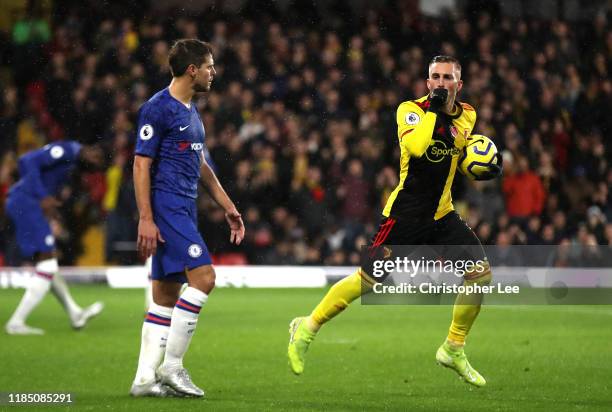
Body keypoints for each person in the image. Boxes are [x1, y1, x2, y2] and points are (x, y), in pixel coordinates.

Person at [288, 56, 502, 387]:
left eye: (448, 78)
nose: (441, 83)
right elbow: (417, 148)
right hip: (405, 215)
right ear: (428, 82)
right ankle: (307, 327)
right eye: (435, 77)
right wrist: (433, 108)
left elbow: (454, 158)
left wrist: (480, 163)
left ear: (459, 85)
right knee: (367, 281)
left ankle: (453, 348)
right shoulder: (410, 110)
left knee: (480, 275)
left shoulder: (469, 115)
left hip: (442, 214)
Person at [130, 39, 245, 398]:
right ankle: (173, 368)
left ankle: (144, 380)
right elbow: (140, 164)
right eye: (210, 66)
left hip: (184, 208)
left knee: (165, 295)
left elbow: (201, 167)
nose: (214, 72)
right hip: (167, 208)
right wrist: (146, 218)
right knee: (205, 278)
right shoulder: (157, 108)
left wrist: (228, 206)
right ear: (192, 69)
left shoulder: (192, 113)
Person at [4, 141, 105, 335]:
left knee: (49, 264)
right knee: (47, 264)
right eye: (96, 158)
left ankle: (75, 313)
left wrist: (51, 207)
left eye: (97, 166)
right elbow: (26, 160)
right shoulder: (67, 150)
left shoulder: (75, 164)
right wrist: (43, 197)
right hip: (26, 202)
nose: (94, 163)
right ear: (92, 148)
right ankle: (16, 322)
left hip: (30, 204)